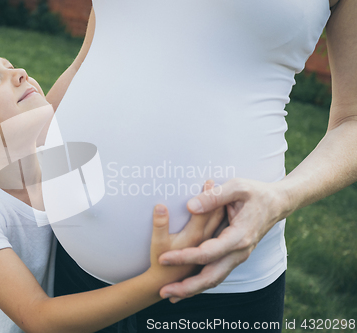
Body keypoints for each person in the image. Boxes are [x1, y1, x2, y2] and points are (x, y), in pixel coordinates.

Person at [47, 0, 357, 331]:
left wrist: (282, 198)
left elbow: (351, 119)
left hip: (217, 288)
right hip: (71, 267)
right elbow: (86, 61)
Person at [0, 40, 225, 332]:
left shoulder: (48, 162)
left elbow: (81, 63)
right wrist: (160, 280)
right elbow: (37, 316)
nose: (20, 74)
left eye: (9, 65)